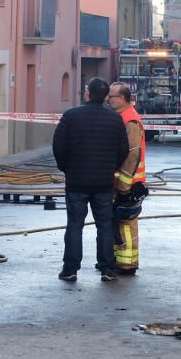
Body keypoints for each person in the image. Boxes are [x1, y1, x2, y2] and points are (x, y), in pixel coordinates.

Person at [53, 77, 129, 282]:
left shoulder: (71, 116)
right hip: (104, 182)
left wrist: (66, 168)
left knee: (74, 225)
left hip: (76, 181)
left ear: (87, 93)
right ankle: (107, 268)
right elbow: (124, 150)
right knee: (104, 225)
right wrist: (111, 168)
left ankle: (70, 269)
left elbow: (58, 146)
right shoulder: (114, 119)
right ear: (105, 96)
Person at [107, 82, 148, 275]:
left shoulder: (130, 120)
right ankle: (119, 259)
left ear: (122, 99)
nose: (108, 99)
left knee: (125, 222)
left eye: (112, 96)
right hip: (123, 181)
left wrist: (123, 185)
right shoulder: (122, 117)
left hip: (129, 183)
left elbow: (133, 154)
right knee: (118, 222)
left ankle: (127, 263)